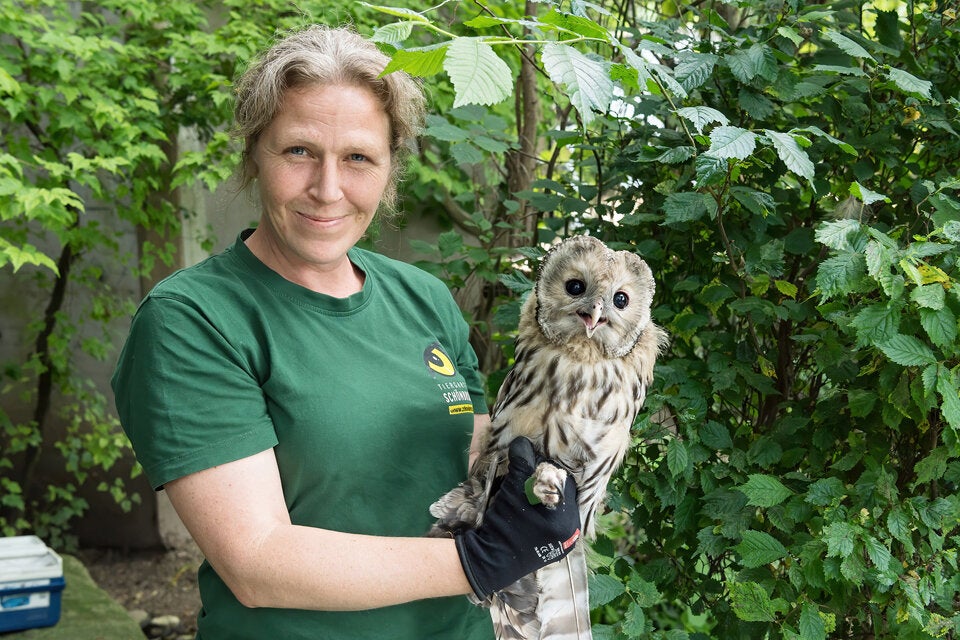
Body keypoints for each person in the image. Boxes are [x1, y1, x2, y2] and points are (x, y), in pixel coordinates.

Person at [111, 24, 580, 640]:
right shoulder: (195, 320)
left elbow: (473, 461)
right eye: (299, 151)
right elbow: (257, 562)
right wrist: (480, 560)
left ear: (389, 171)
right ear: (256, 154)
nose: (328, 190)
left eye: (358, 158)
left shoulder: (424, 298)